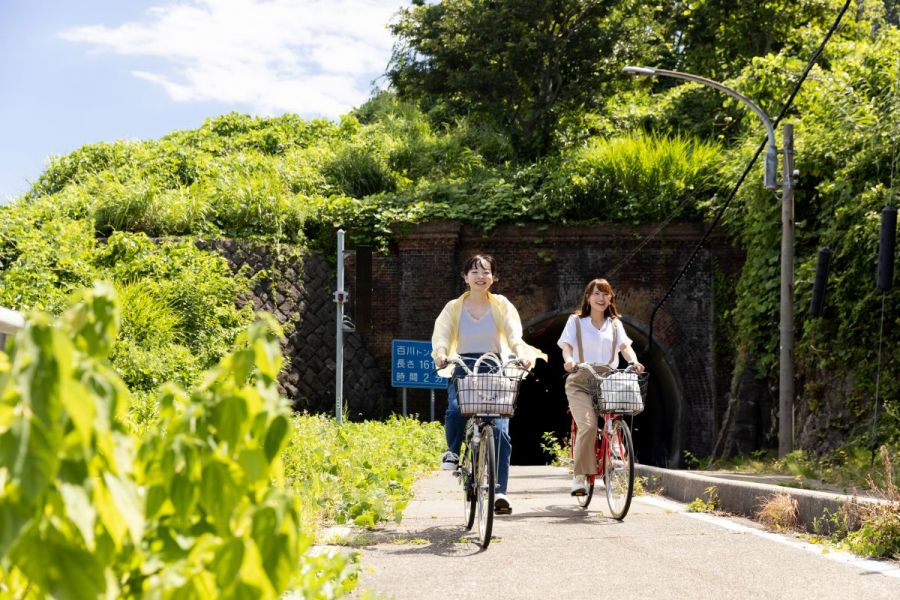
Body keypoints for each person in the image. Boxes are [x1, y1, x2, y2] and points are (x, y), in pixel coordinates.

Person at [432, 254, 545, 515]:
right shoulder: (453, 307)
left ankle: (500, 492)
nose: (480, 276)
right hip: (463, 364)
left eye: (485, 272)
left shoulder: (502, 305)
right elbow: (443, 334)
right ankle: (451, 451)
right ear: (465, 277)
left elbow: (514, 334)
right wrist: (440, 352)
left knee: (501, 429)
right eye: (474, 271)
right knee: (455, 408)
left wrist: (521, 353)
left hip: (495, 364)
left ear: (494, 277)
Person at [557, 278, 645, 496]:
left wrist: (633, 361)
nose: (601, 298)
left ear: (610, 298)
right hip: (581, 380)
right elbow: (566, 346)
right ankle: (580, 476)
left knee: (617, 414)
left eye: (605, 294)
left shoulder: (615, 324)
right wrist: (568, 360)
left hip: (609, 379)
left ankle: (614, 440)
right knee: (587, 426)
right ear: (588, 297)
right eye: (596, 293)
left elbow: (625, 347)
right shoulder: (576, 321)